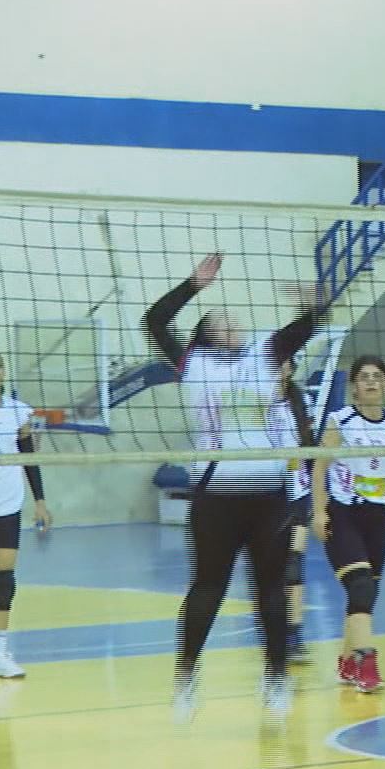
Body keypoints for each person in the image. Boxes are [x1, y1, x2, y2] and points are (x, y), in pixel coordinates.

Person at [143, 252, 318, 722]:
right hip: (216, 497)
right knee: (208, 587)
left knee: (271, 590)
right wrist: (193, 285)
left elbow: (305, 329)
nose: (232, 321)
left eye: (233, 318)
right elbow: (154, 320)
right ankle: (186, 675)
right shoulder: (192, 363)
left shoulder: (265, 353)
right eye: (221, 319)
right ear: (204, 334)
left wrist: (312, 306)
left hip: (268, 496)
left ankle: (276, 678)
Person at [314, 356, 385, 692]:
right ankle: (367, 663)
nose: (372, 381)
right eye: (364, 377)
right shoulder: (340, 421)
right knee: (361, 586)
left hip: (378, 518)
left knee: (365, 593)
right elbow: (319, 467)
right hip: (343, 514)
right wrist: (319, 511)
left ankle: (347, 662)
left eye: (377, 376)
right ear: (354, 387)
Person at [0, 355, 51, 679]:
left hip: (7, 504)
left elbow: (30, 459)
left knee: (3, 578)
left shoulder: (18, 412)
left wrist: (40, 501)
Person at [265, 360, 314, 665]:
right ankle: (276, 634)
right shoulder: (255, 401)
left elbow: (310, 447)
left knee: (293, 564)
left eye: (283, 362)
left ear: (290, 368)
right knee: (271, 568)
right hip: (265, 492)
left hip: (298, 491)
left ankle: (294, 636)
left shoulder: (300, 400)